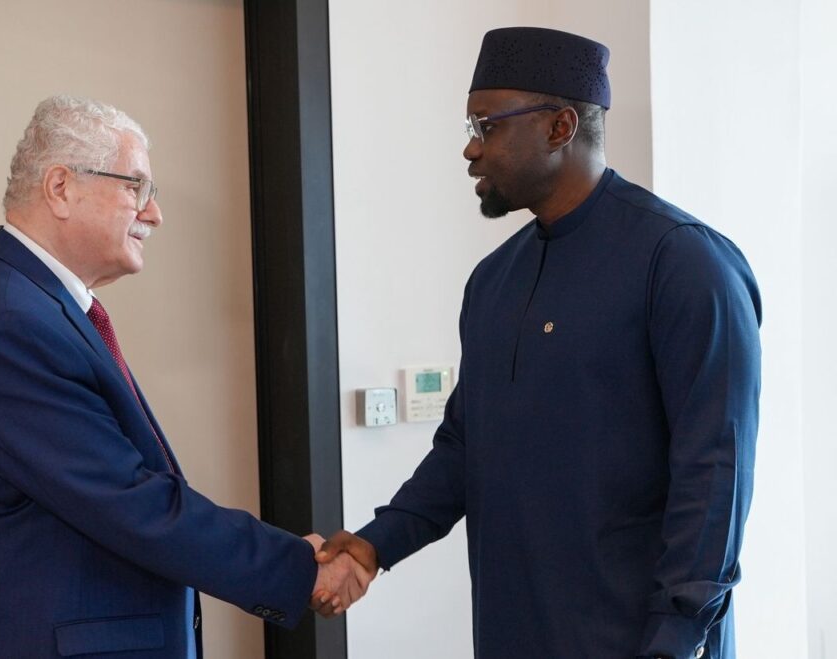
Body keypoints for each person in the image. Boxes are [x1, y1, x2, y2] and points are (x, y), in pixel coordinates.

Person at [315, 27, 761, 659]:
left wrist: (678, 636)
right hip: (514, 629)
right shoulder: (494, 280)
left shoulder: (683, 263)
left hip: (644, 638)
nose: (471, 149)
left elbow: (716, 473)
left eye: (487, 125)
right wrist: (374, 544)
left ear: (560, 127)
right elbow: (465, 446)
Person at [0, 95, 369, 659]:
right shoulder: (8, 323)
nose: (154, 214)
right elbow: (128, 500)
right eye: (136, 188)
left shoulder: (30, 306)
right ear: (61, 188)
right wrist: (297, 566)